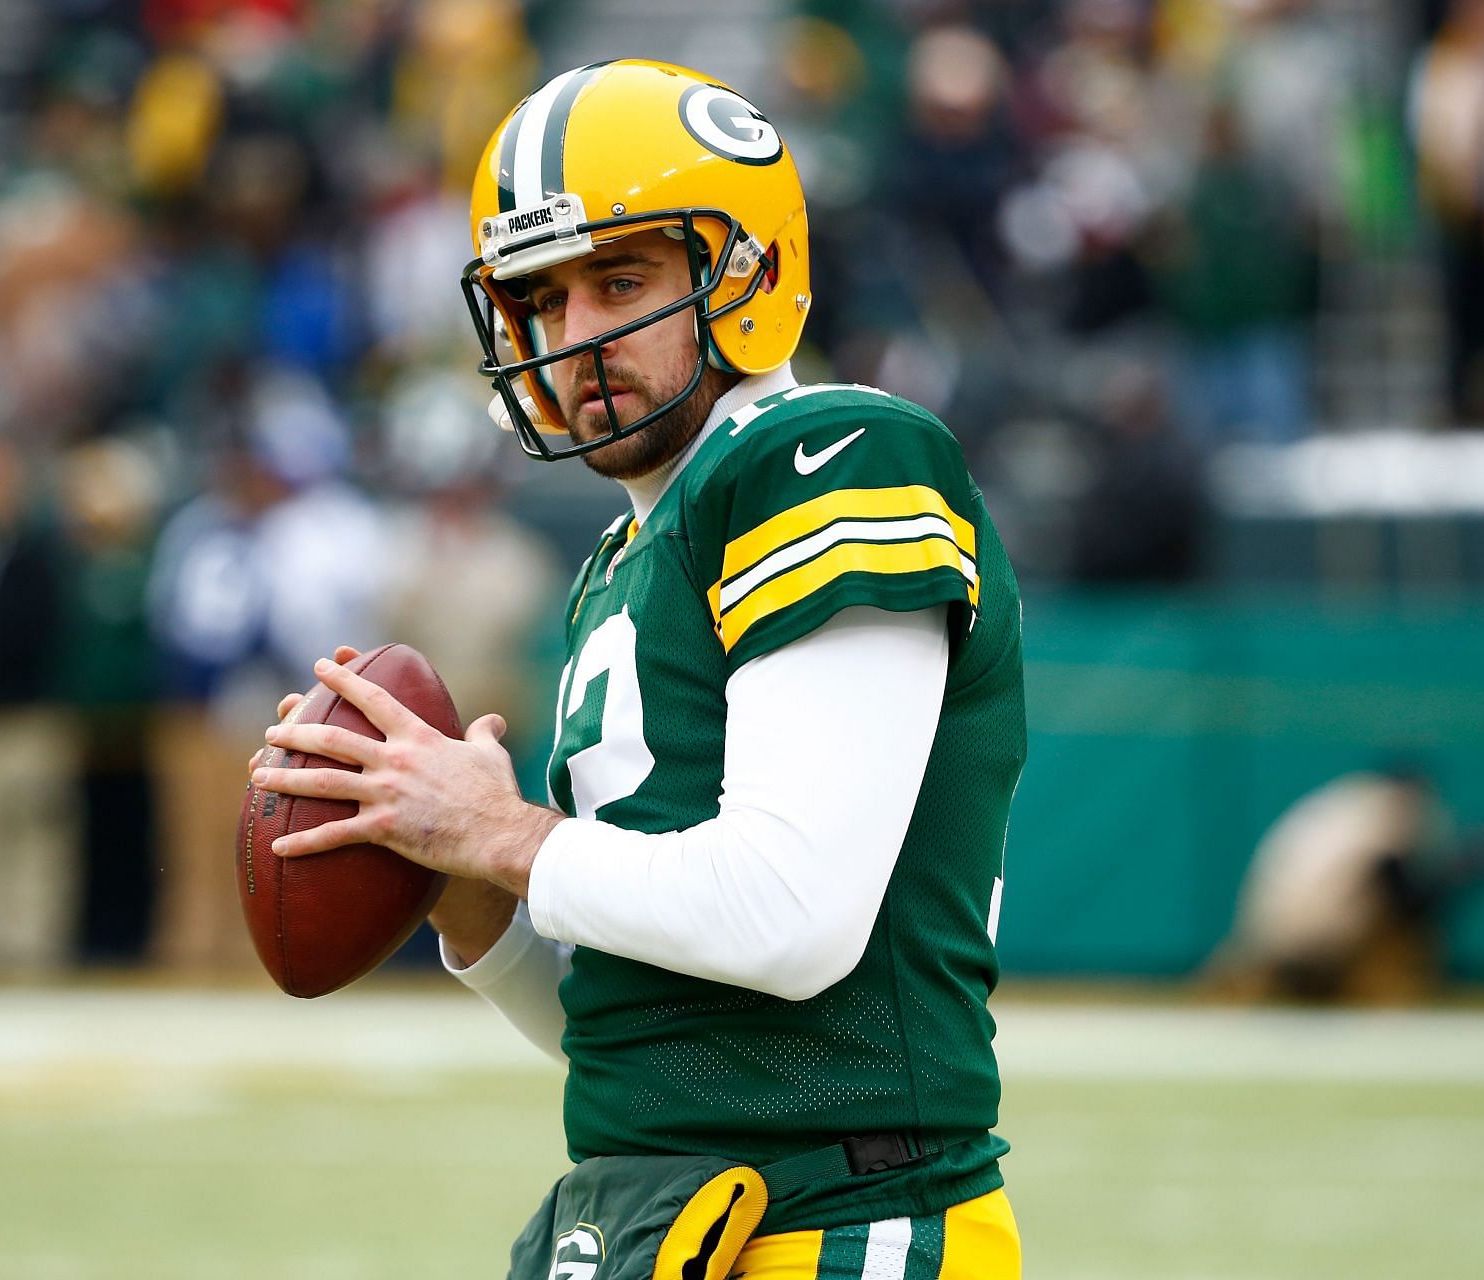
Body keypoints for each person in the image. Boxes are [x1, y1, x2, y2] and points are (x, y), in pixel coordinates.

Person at [249, 60, 1026, 1278]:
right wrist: (460, 879)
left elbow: (791, 916)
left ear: (744, 271)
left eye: (619, 281)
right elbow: (635, 1033)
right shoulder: (624, 554)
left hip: (843, 1220)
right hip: (654, 1218)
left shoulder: (838, 458)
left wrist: (504, 831)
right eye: (543, 301)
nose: (576, 337)